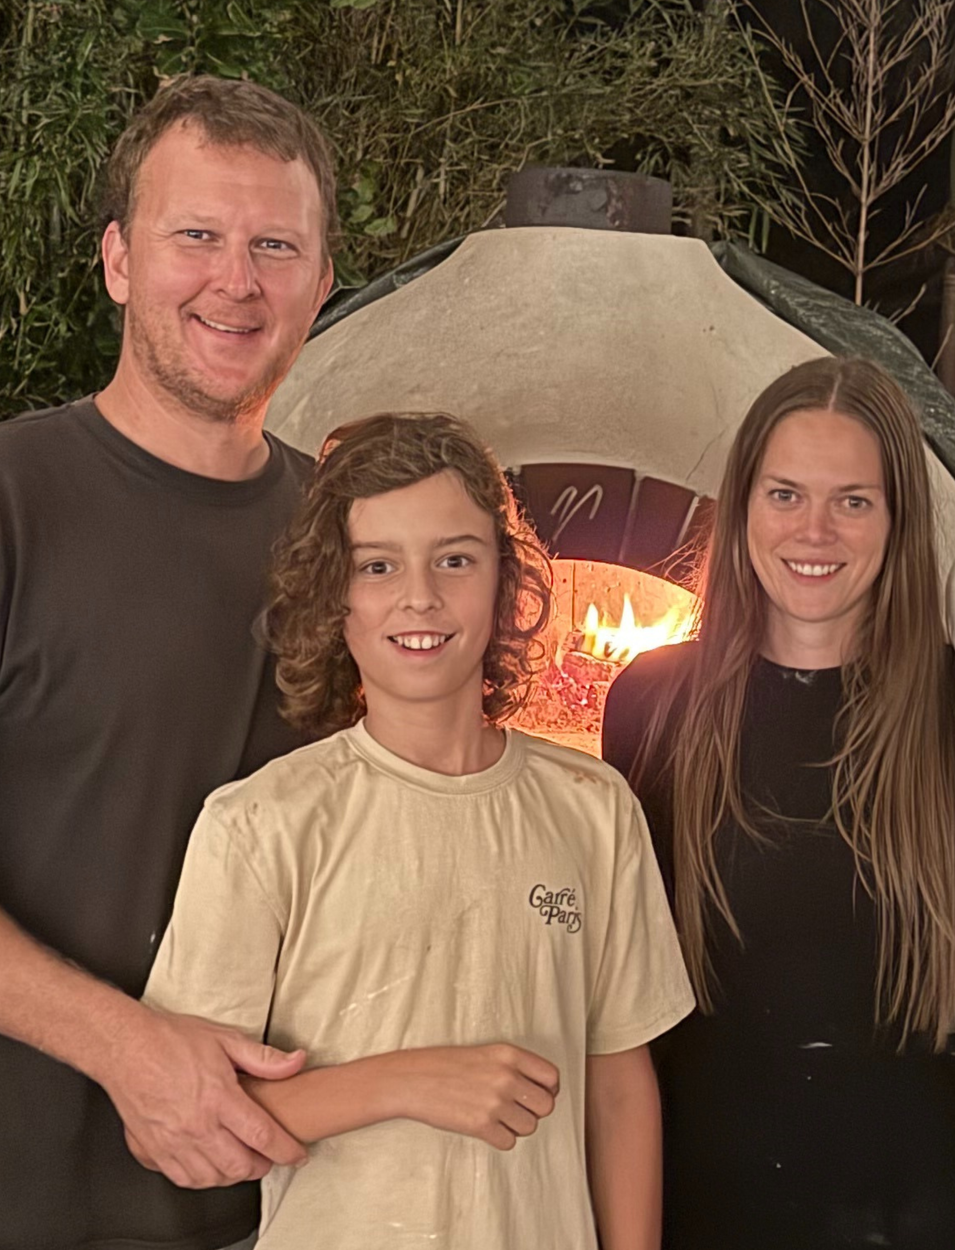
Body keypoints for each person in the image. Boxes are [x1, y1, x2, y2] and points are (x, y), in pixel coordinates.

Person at [0, 77, 339, 1249]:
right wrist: (131, 1048)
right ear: (119, 262)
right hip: (30, 1205)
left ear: (322, 282)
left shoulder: (345, 537)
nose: (236, 279)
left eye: (274, 245)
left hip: (300, 1201)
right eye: (195, 235)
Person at [140, 412, 694, 1249]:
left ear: (506, 581)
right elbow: (192, 1119)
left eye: (455, 559)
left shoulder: (595, 809)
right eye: (377, 565)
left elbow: (619, 1090)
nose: (420, 596)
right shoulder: (259, 825)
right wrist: (404, 1084)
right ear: (334, 595)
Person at [601, 356, 955, 1249]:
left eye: (852, 501)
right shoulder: (650, 704)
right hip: (701, 1191)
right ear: (743, 506)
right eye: (785, 494)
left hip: (904, 1200)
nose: (814, 530)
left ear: (897, 520)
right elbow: (621, 1003)